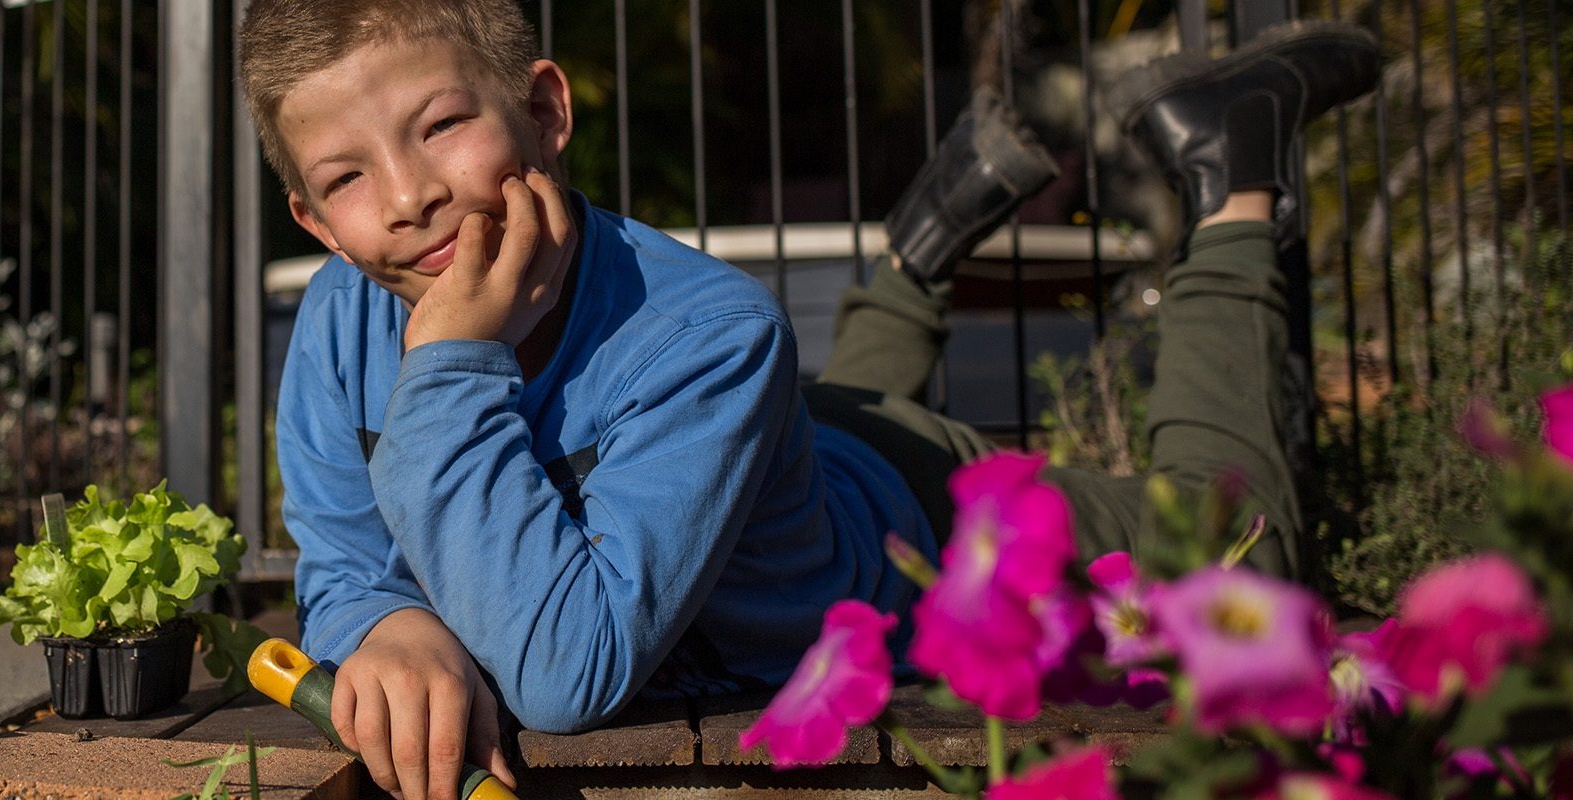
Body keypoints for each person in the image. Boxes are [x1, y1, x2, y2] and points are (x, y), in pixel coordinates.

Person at [239, 0, 1377, 795]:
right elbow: (344, 555)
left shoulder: (710, 336)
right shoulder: (342, 320)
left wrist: (449, 364)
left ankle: (1235, 172)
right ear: (313, 222)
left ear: (545, 109)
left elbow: (562, 671)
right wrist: (389, 625)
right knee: (778, 430)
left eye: (441, 124)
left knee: (1234, 552)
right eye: (345, 176)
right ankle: (930, 231)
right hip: (757, 462)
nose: (407, 198)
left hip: (918, 521)